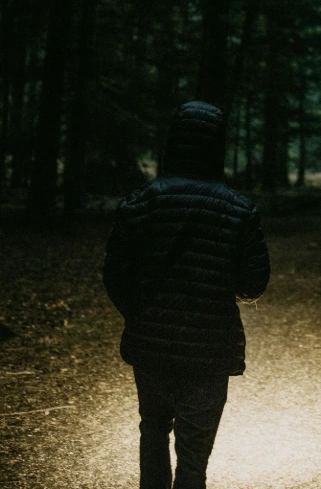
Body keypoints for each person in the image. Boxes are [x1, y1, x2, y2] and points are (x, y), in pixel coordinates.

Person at [103, 100, 270, 489]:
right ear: (217, 147)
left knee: (153, 429)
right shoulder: (238, 209)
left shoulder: (141, 202)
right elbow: (254, 282)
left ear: (173, 142)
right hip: (209, 347)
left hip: (151, 344)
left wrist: (139, 314)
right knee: (194, 457)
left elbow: (114, 274)